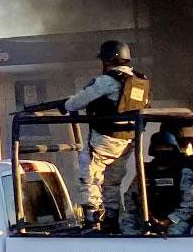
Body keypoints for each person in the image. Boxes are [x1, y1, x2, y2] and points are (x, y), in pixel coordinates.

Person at [60, 39, 147, 232]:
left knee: (88, 177)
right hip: (127, 141)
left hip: (105, 139)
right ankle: (112, 220)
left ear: (109, 59)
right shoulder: (138, 80)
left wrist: (65, 105)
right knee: (112, 182)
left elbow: (76, 103)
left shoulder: (107, 81)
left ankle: (94, 221)